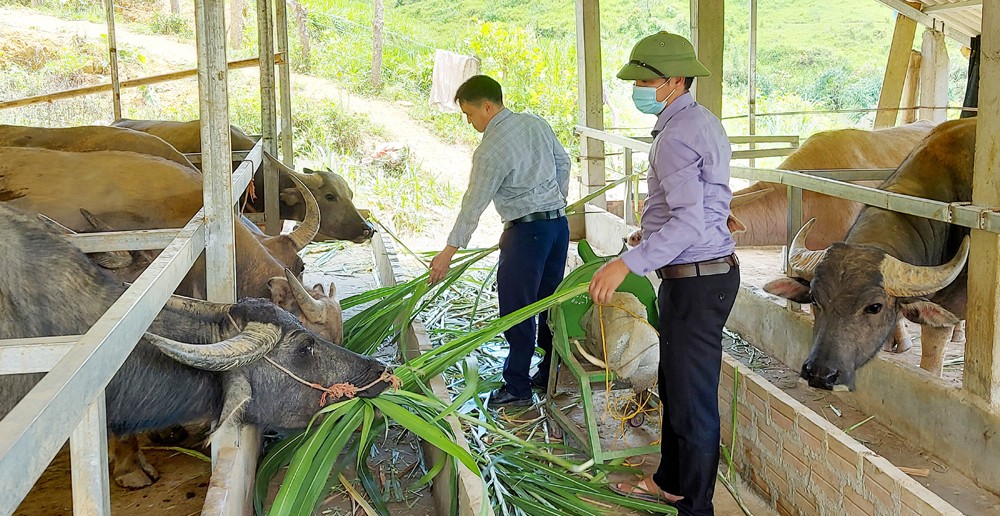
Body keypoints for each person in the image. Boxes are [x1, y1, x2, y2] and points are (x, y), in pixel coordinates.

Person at [589, 32, 741, 515]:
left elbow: (691, 220)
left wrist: (625, 263)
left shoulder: (675, 137)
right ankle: (669, 482)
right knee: (676, 388)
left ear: (675, 81)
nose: (639, 88)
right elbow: (704, 203)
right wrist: (648, 237)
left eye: (646, 81)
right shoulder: (699, 122)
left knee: (692, 401)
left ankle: (695, 507)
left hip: (697, 282)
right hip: (699, 274)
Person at [429, 75, 571, 406]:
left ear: (487, 107)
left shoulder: (490, 150)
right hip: (557, 228)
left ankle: (517, 387)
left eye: (469, 114)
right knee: (548, 304)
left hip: (525, 235)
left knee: (517, 310)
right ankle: (549, 372)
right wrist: (554, 201)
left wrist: (449, 251)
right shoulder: (536, 123)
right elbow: (564, 163)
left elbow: (473, 203)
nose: (469, 121)